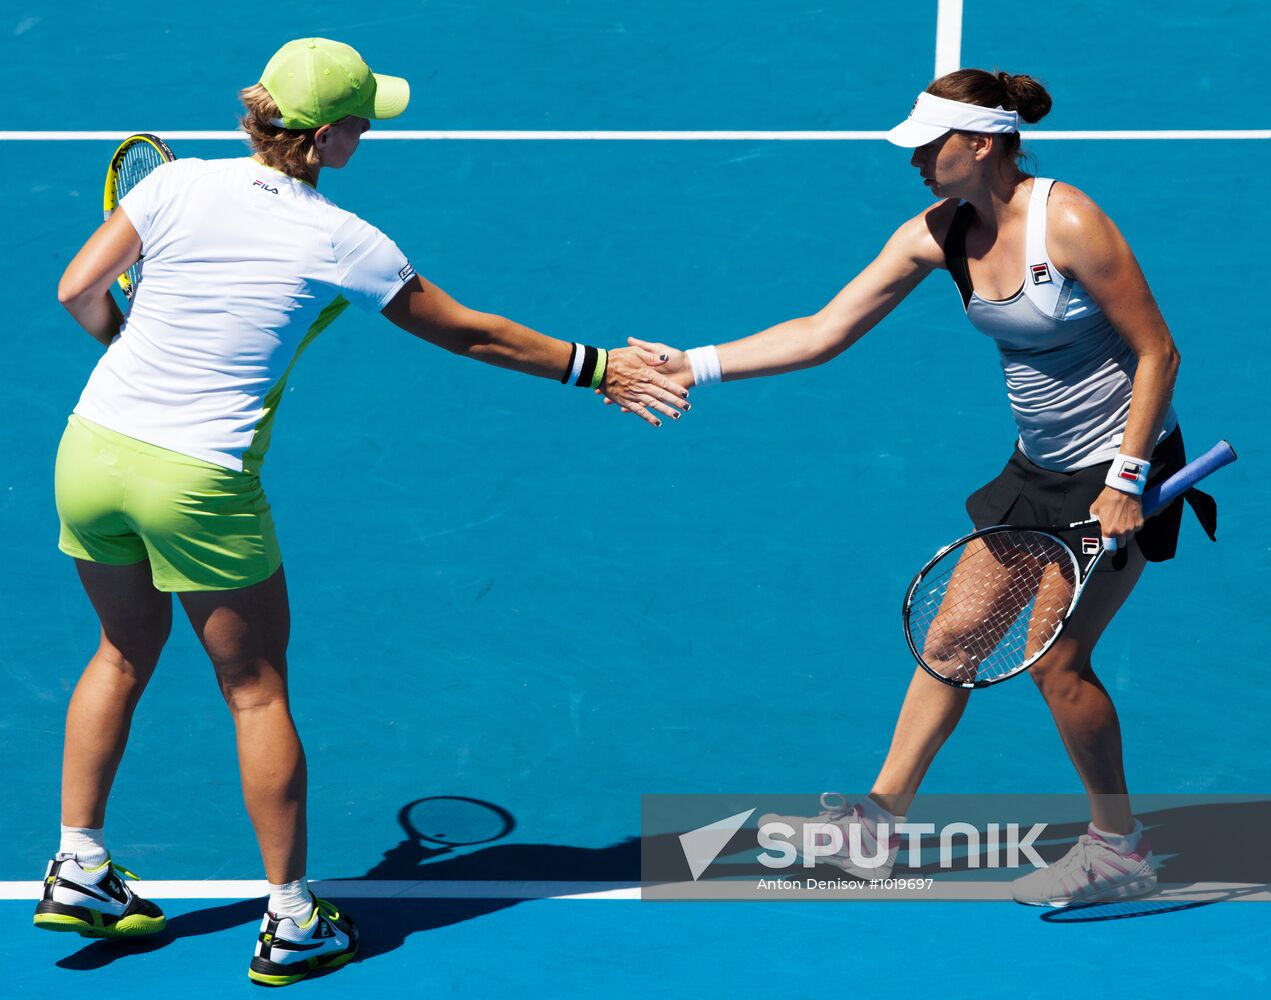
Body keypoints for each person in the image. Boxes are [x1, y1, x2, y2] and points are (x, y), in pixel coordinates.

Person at [38, 37, 689, 987]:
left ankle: (79, 863)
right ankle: (294, 920)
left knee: (120, 652)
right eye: (364, 119)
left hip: (89, 452)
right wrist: (597, 365)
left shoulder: (171, 187)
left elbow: (75, 292)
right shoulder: (341, 238)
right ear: (332, 132)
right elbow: (470, 332)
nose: (369, 132)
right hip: (198, 480)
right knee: (254, 689)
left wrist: (130, 337)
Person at [630, 69, 1212, 906]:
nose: (913, 160)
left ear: (979, 145)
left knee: (1059, 663)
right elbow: (823, 330)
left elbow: (1158, 351)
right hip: (1036, 467)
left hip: (1119, 466)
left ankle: (1119, 845)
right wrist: (693, 363)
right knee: (952, 640)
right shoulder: (936, 233)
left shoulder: (1071, 221)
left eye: (927, 145)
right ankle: (875, 824)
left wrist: (1124, 479)